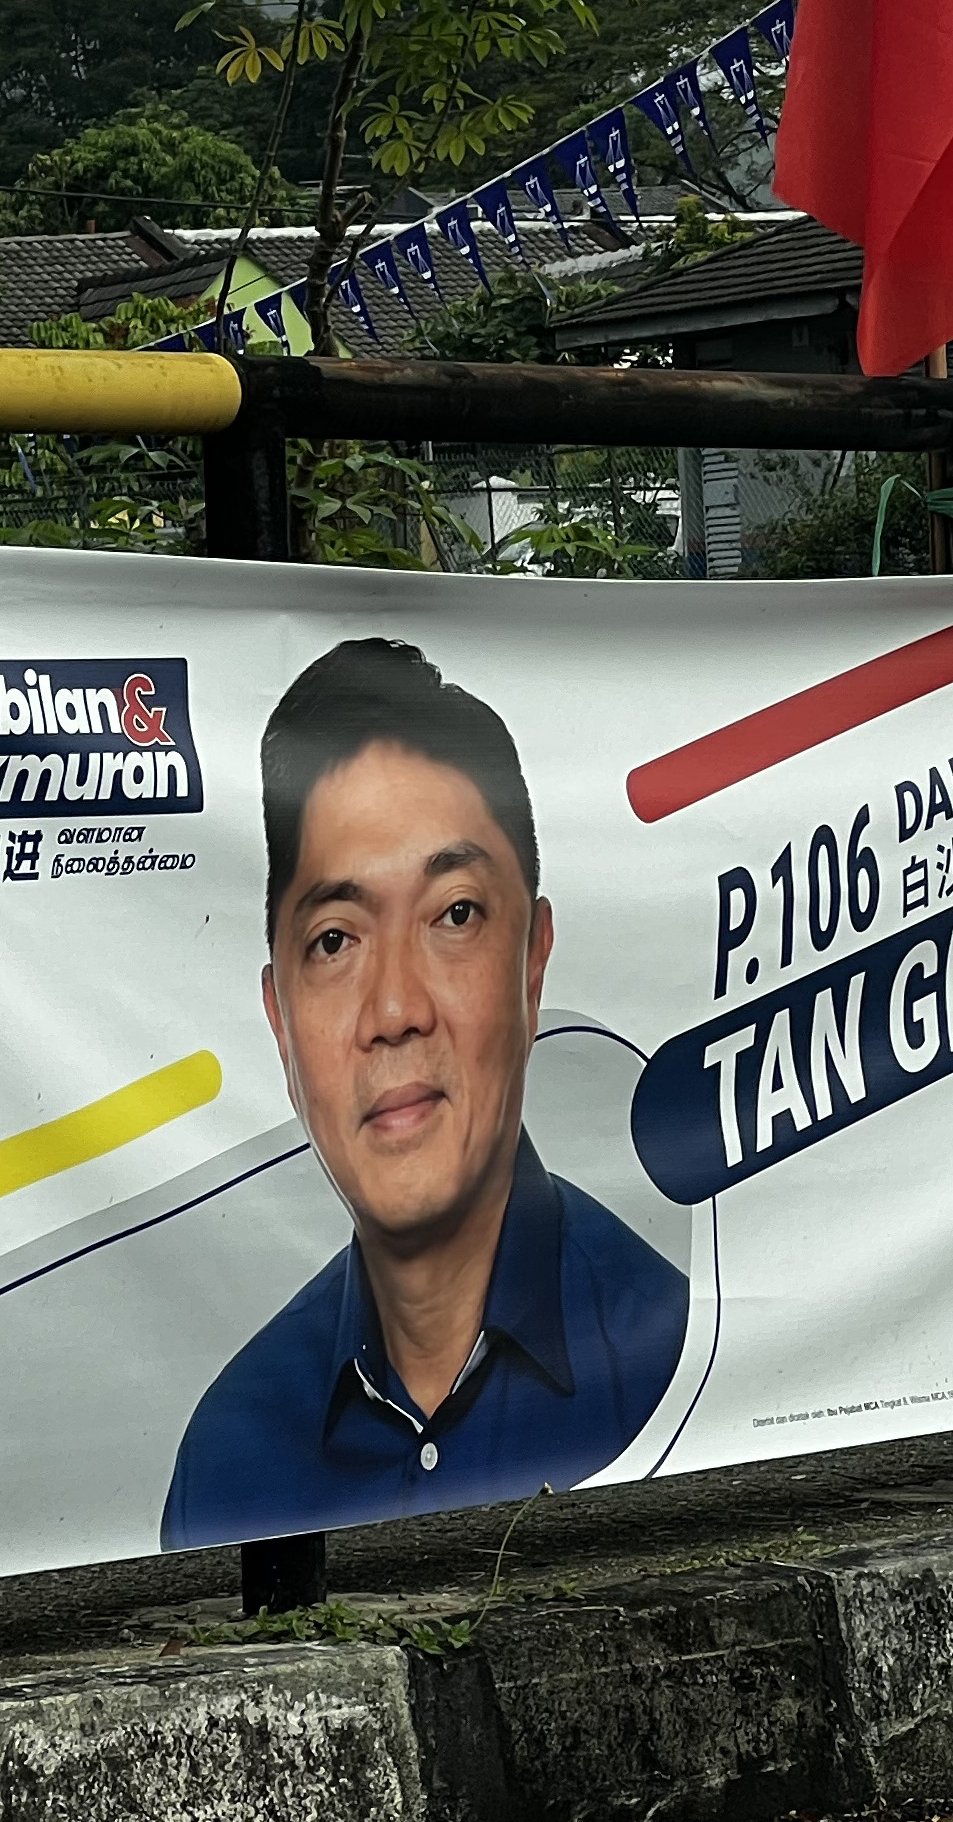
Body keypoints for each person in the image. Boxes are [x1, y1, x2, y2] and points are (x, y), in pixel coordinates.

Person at [163, 640, 685, 1549]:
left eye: (454, 914)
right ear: (280, 1022)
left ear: (533, 964)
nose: (394, 1011)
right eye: (334, 940)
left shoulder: (682, 1370)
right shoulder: (230, 1455)